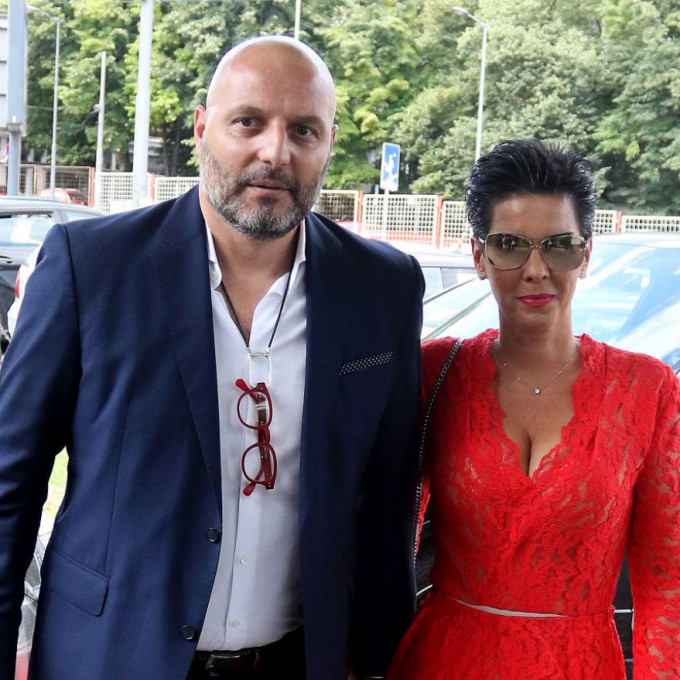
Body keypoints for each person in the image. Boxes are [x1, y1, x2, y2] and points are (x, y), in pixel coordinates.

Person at [0, 36, 425, 680]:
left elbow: (387, 504)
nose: (275, 152)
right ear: (202, 127)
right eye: (248, 121)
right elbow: (11, 484)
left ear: (329, 143)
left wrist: (378, 662)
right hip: (110, 658)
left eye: (303, 130)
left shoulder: (383, 288)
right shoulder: (91, 268)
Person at [388, 139, 680, 679]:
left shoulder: (647, 389)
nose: (536, 269)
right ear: (478, 256)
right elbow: (382, 528)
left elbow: (667, 582)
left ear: (586, 255)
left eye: (560, 246)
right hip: (444, 660)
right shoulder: (434, 372)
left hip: (582, 665)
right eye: (510, 245)